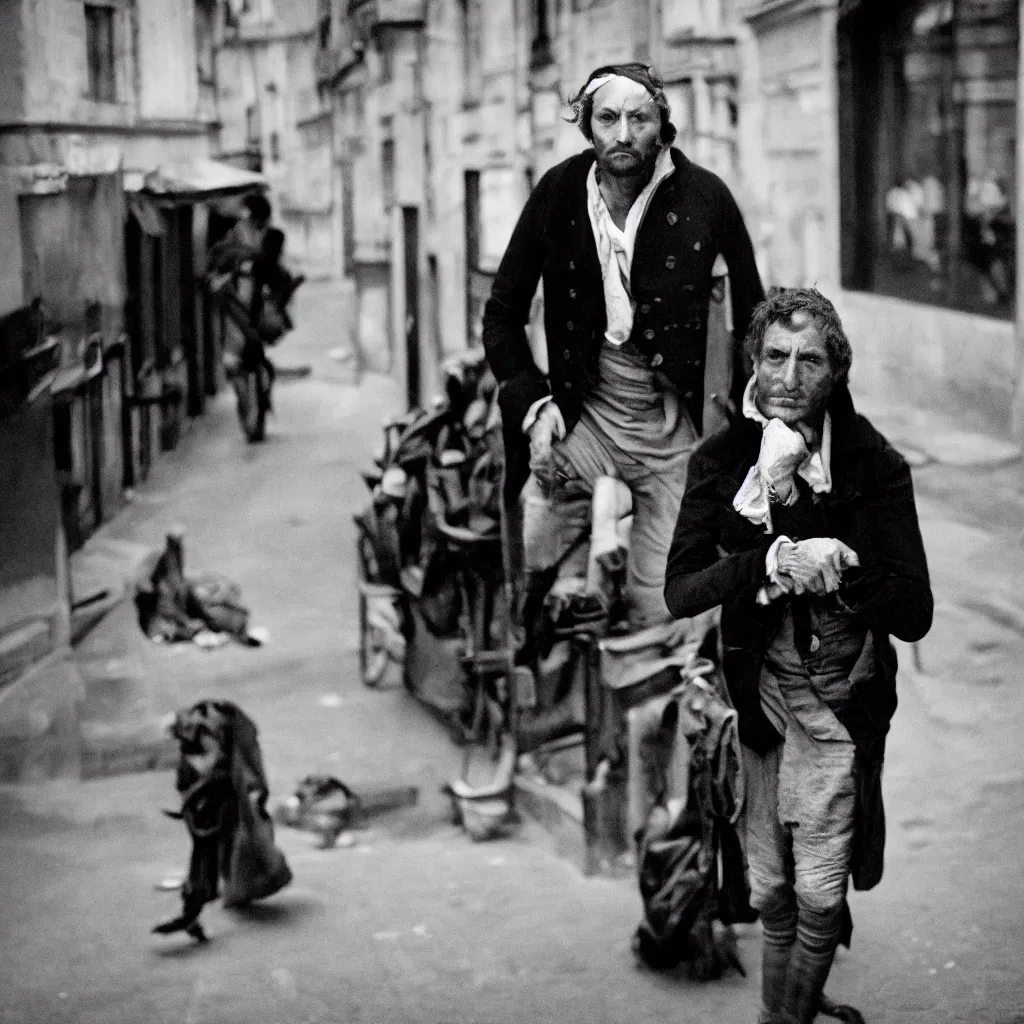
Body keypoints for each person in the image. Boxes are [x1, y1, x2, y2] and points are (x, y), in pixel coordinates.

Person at [664, 288, 934, 1023]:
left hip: (840, 704)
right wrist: (770, 560)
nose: (789, 375)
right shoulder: (721, 461)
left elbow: (915, 611)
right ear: (753, 362)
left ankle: (784, 1019)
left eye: (809, 359)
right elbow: (682, 590)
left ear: (835, 374)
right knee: (769, 892)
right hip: (759, 701)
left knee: (819, 893)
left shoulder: (873, 464)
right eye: (775, 356)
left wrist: (840, 566)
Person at [482, 62, 764, 629]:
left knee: (663, 609)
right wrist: (536, 409)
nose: (623, 133)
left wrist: (748, 425)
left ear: (662, 124)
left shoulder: (707, 197)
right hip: (583, 416)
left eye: (639, 118)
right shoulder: (558, 193)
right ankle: (533, 634)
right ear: (588, 126)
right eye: (607, 118)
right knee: (537, 549)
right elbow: (502, 315)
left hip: (673, 435)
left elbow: (755, 321)